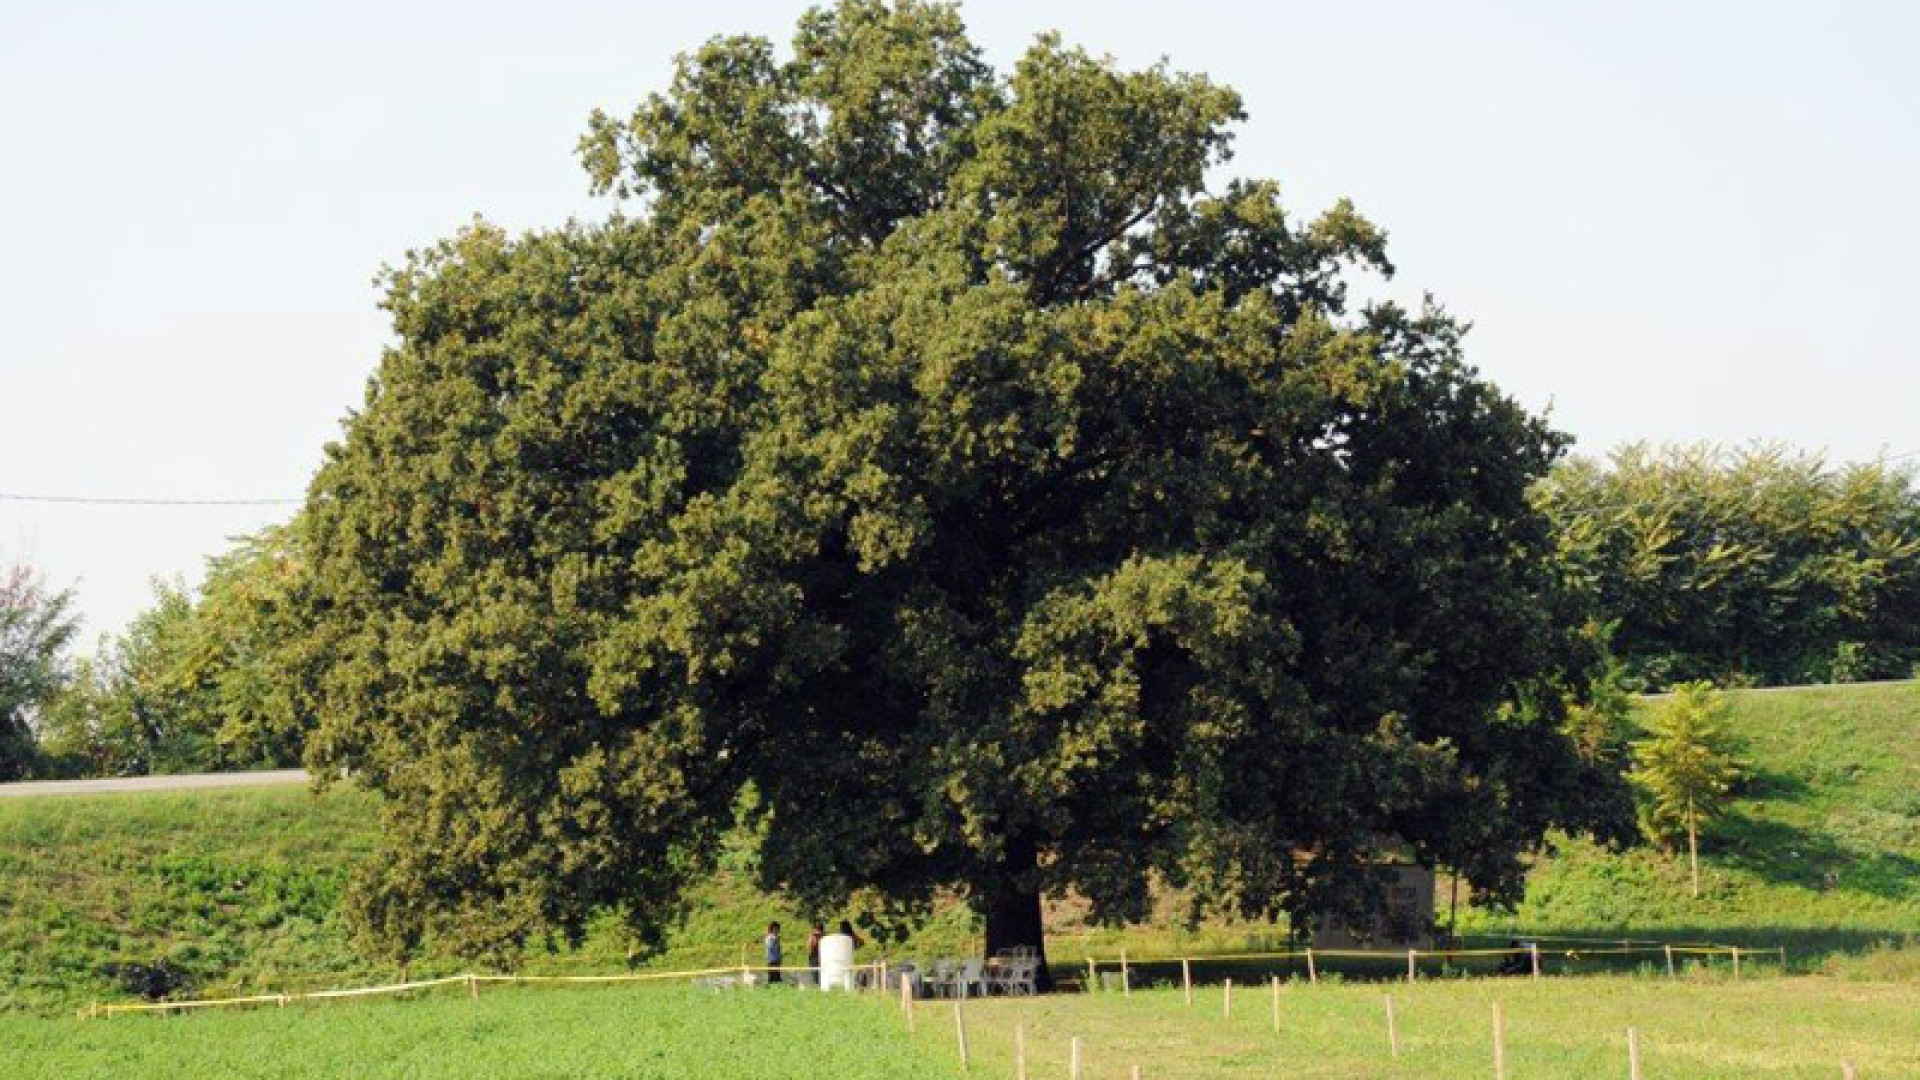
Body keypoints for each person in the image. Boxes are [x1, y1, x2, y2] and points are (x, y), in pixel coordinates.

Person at [806, 922, 825, 986]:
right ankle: (816, 985)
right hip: (813, 957)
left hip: (822, 957)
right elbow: (808, 947)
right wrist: (812, 938)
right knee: (814, 974)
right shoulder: (812, 936)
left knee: (821, 974)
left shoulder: (823, 937)